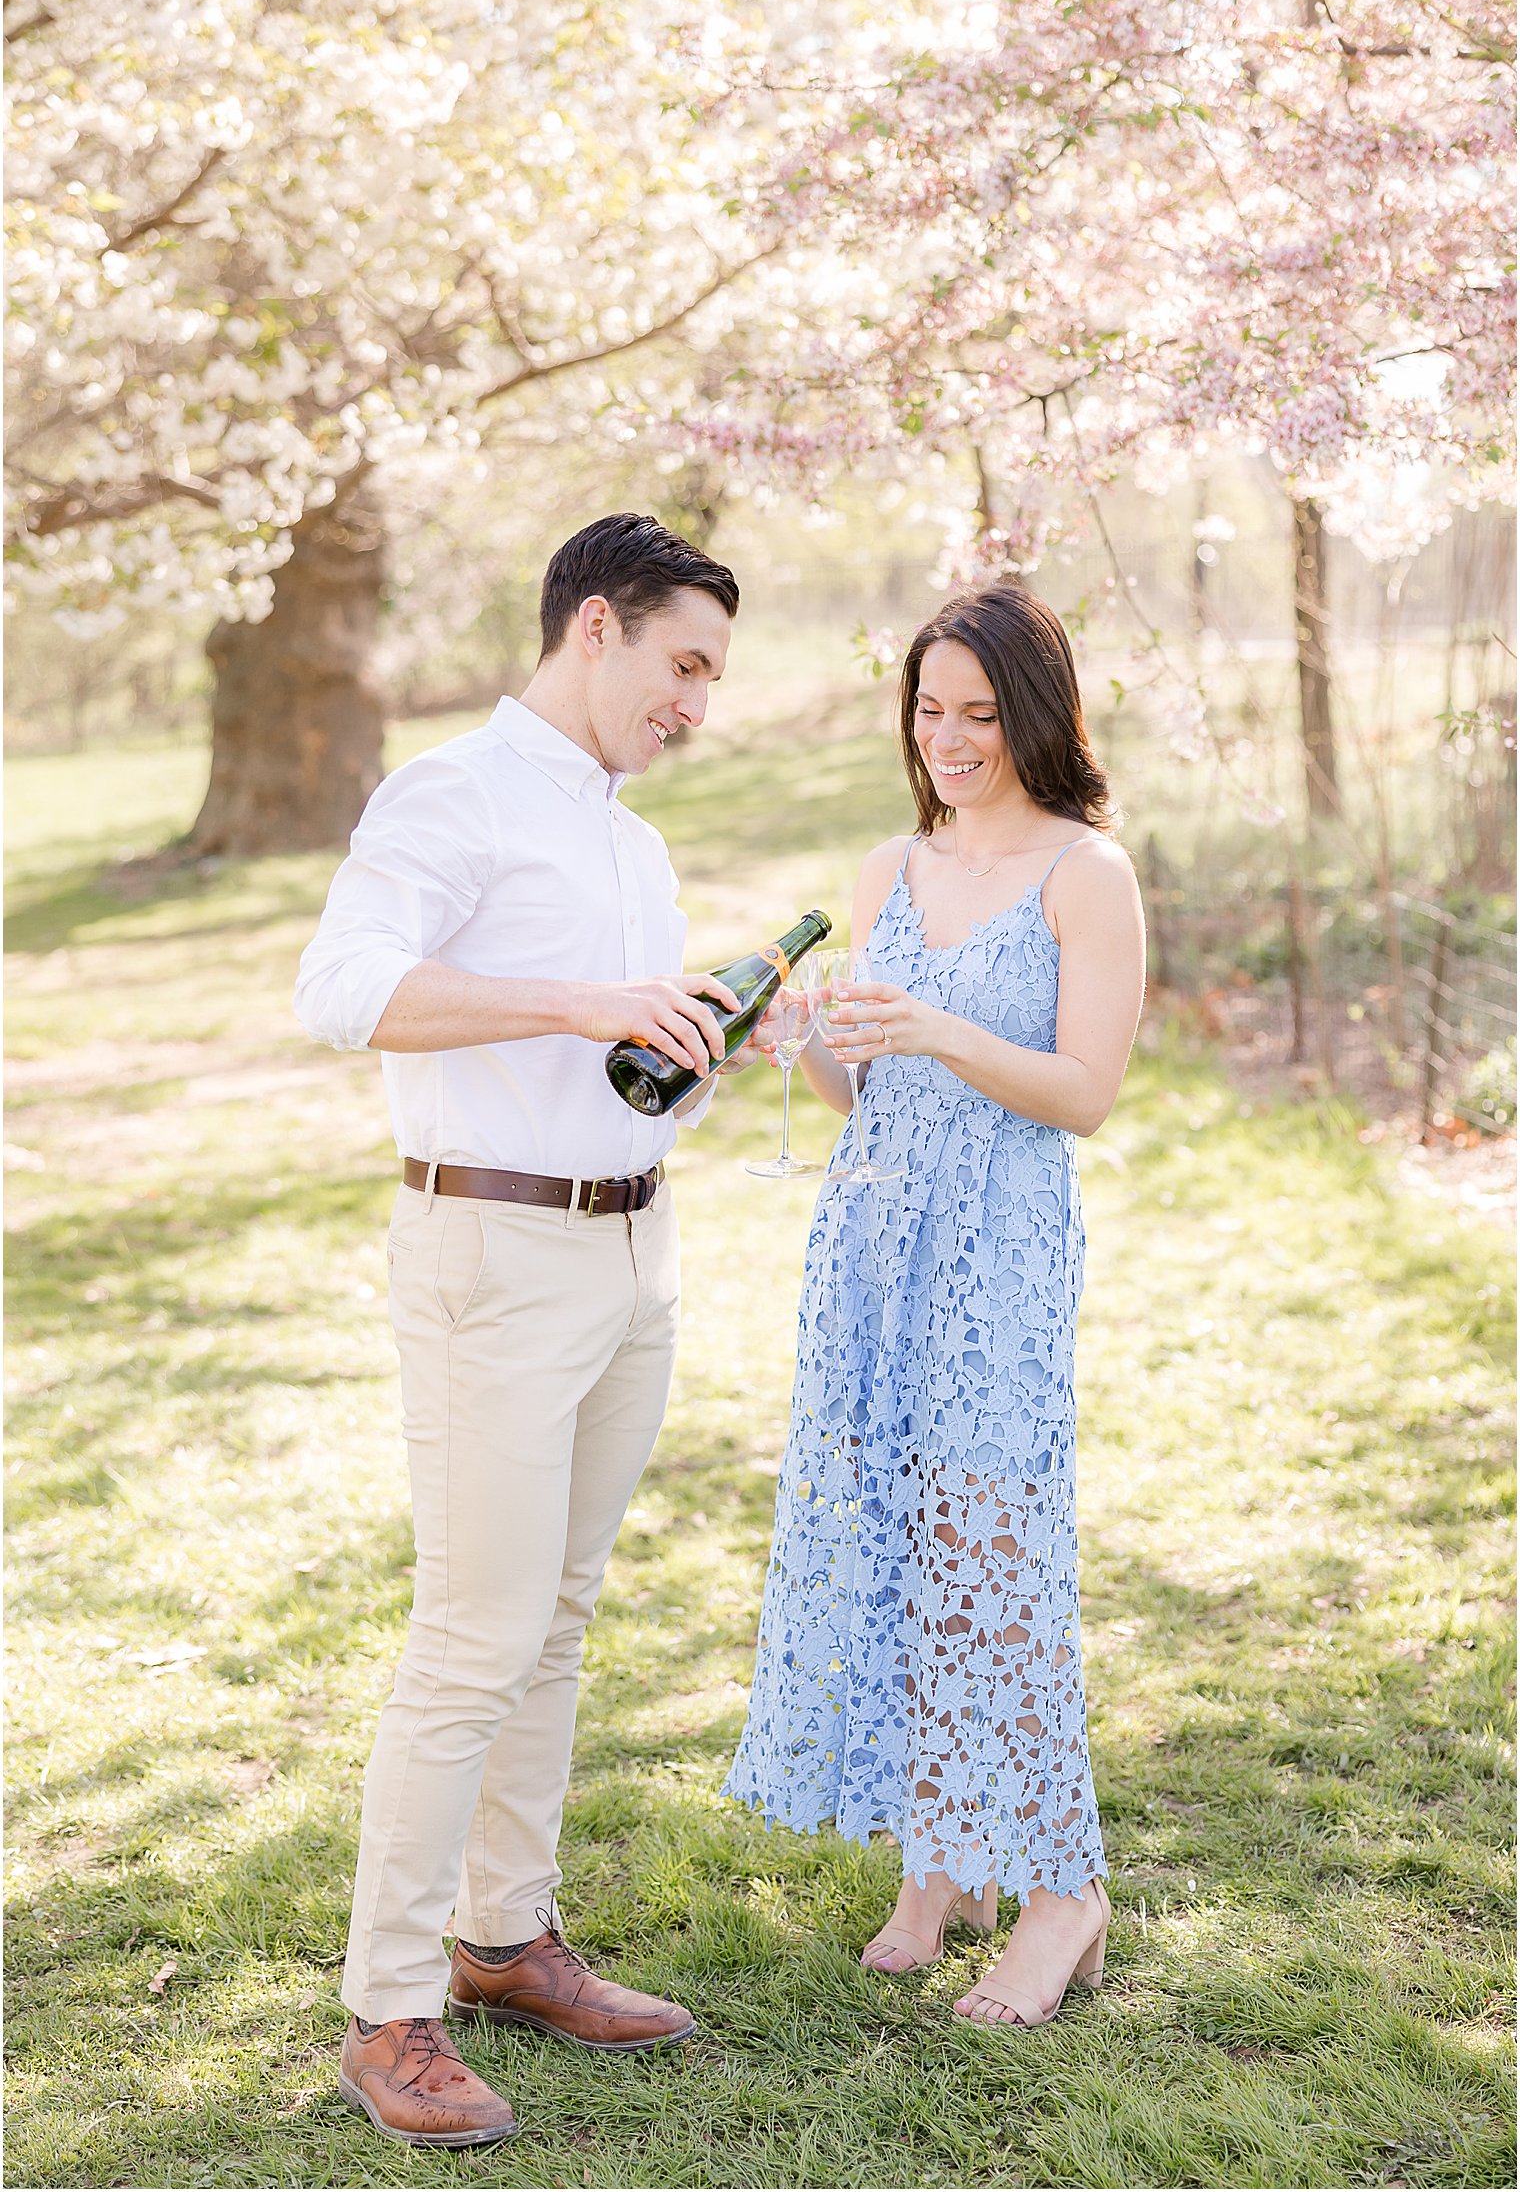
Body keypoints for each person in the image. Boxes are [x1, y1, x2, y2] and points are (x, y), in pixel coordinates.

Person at [295, 513, 749, 2149]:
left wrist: (680, 1063)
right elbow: (342, 986)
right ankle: (390, 2009)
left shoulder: (629, 842)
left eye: (713, 675)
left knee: (555, 1620)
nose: (697, 700)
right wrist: (577, 1004)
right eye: (683, 663)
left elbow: (607, 1066)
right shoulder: (451, 794)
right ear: (596, 630)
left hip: (630, 1254)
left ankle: (505, 1937)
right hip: (487, 1250)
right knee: (471, 1635)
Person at [727, 582, 1145, 2029]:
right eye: (930, 709)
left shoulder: (1086, 872)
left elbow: (1085, 1093)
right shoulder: (887, 865)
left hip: (997, 1252)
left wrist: (936, 1025)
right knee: (897, 1536)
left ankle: (1063, 1891)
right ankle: (944, 1853)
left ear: (1035, 712)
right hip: (873, 1238)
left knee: (995, 1556)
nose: (952, 737)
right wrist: (803, 1043)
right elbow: (870, 1081)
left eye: (980, 710)